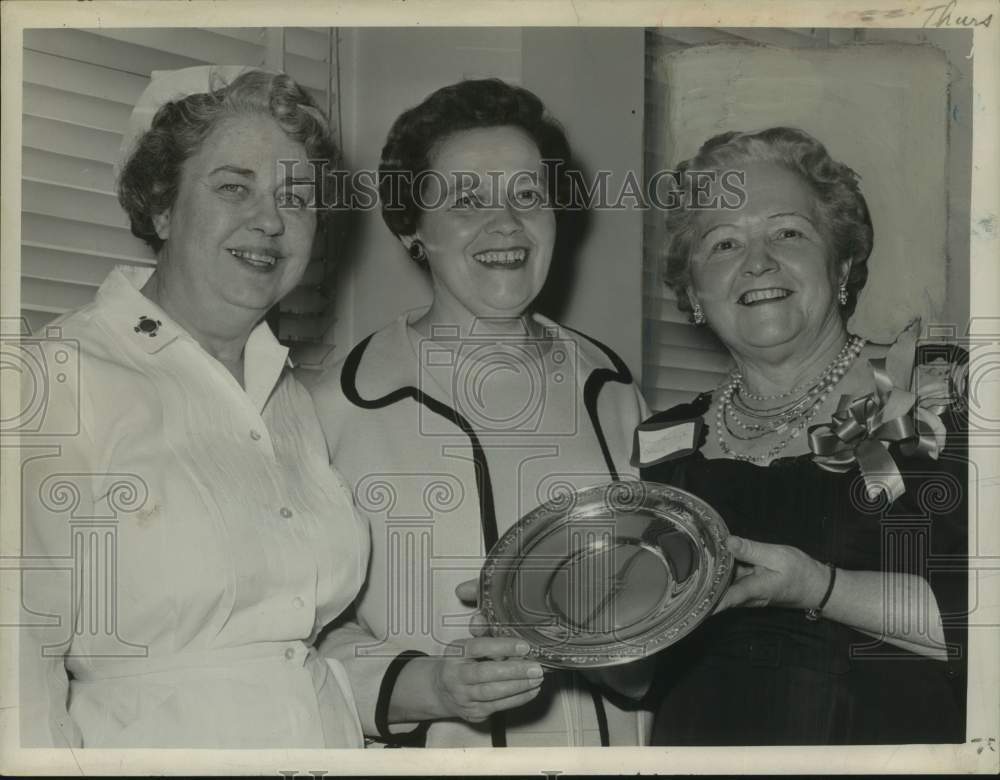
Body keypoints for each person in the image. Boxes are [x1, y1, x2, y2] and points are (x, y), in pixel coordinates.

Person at [19, 67, 368, 748]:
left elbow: (291, 643)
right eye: (234, 187)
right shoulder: (57, 375)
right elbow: (15, 668)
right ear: (162, 207)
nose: (270, 220)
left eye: (296, 199)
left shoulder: (288, 395)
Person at [307, 78, 651, 747]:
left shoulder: (615, 392)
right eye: (466, 200)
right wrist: (430, 684)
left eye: (529, 195)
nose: (507, 225)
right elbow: (297, 635)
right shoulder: (336, 407)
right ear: (412, 228)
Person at [636, 127, 967, 744]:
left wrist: (821, 587)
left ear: (841, 263)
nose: (757, 261)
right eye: (724, 244)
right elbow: (642, 673)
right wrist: (555, 620)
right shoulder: (667, 442)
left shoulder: (929, 396)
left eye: (787, 232)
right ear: (692, 294)